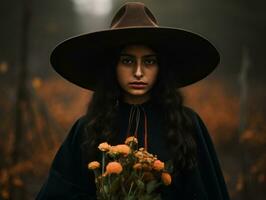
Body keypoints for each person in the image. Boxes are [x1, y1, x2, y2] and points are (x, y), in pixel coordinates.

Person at [36, 2, 230, 200]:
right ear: (113, 66)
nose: (138, 72)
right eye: (127, 61)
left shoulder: (186, 123)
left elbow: (206, 191)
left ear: (160, 67)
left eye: (149, 61)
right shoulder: (87, 127)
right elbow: (58, 192)